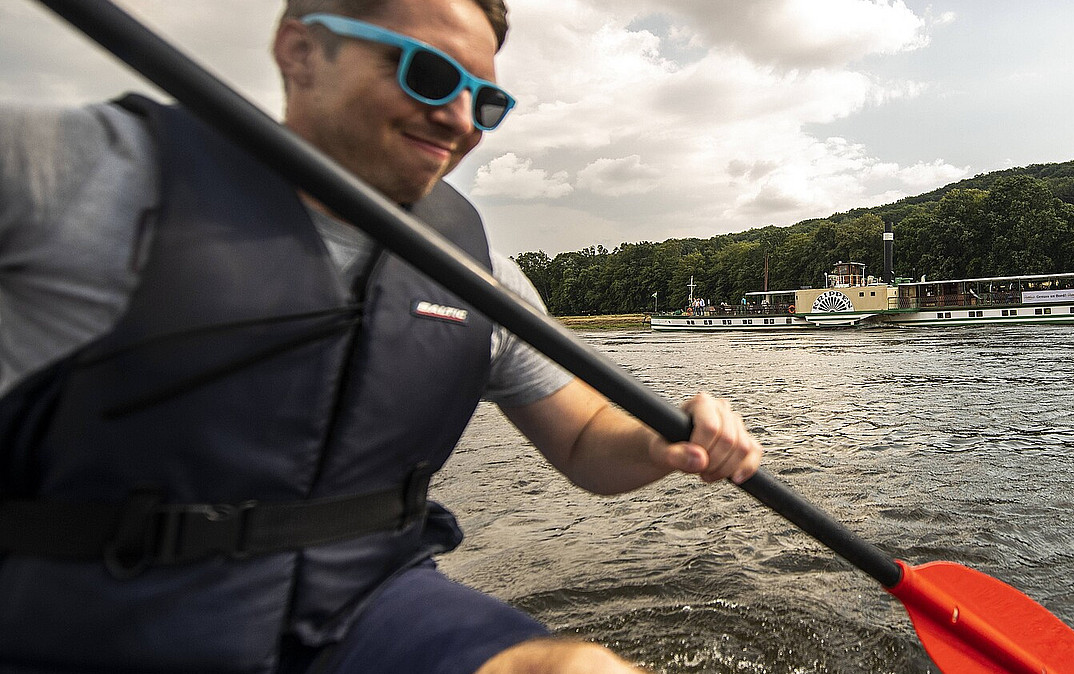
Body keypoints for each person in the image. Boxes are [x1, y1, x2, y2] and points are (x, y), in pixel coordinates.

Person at [0, 0, 762, 672]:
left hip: (360, 608)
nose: (461, 119)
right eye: (427, 75)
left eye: (484, 100)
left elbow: (587, 439)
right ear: (300, 51)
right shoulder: (88, 173)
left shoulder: (483, 276)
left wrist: (662, 443)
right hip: (85, 615)